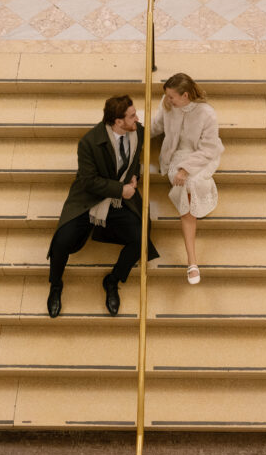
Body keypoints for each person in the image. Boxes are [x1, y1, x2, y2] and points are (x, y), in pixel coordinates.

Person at [46, 94, 158, 318]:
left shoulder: (138, 132)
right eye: (132, 115)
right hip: (89, 199)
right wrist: (120, 190)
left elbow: (133, 162)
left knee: (141, 239)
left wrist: (134, 176)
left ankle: (112, 280)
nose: (138, 118)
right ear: (118, 121)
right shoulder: (89, 142)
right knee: (60, 242)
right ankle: (56, 285)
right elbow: (88, 182)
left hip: (120, 201)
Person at [151, 72, 223, 284]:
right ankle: (192, 260)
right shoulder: (167, 104)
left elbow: (208, 149)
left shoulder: (207, 114)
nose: (167, 100)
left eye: (172, 97)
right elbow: (156, 126)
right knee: (187, 187)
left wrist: (186, 168)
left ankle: (192, 260)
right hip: (176, 157)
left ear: (185, 95)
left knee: (191, 182)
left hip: (202, 157)